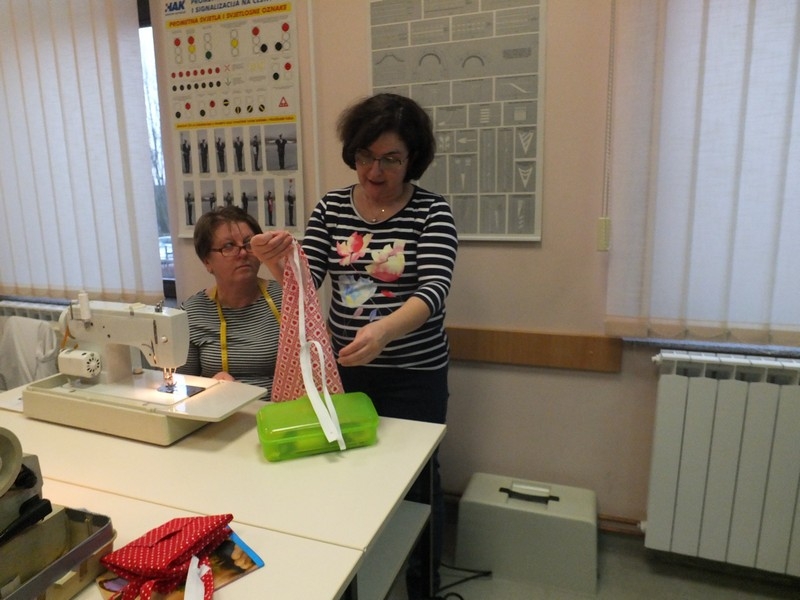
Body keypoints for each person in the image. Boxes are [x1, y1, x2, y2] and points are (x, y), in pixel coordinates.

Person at [251, 93, 458, 599]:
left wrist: (383, 331)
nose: (374, 171)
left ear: (412, 159)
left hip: (414, 377)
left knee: (417, 485)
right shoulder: (331, 208)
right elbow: (306, 281)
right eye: (366, 156)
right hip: (344, 372)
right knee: (347, 479)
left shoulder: (432, 212)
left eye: (390, 159)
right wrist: (270, 258)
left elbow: (433, 290)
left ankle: (423, 586)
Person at [177, 206, 283, 394]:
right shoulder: (191, 314)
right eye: (228, 246)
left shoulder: (285, 298)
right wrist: (207, 386)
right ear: (207, 262)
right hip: (220, 408)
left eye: (249, 243)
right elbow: (179, 386)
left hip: (284, 407)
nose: (243, 253)